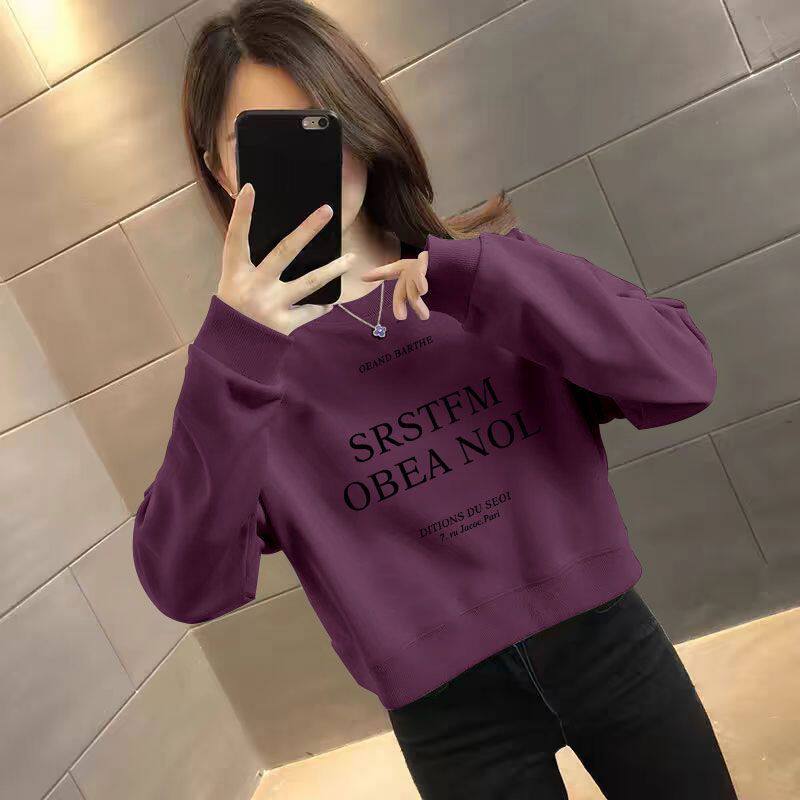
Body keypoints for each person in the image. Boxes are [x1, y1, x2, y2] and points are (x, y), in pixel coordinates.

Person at [132, 1, 739, 797]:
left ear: (362, 118)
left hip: (609, 646)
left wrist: (475, 275)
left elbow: (683, 376)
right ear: (219, 169)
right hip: (451, 721)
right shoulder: (245, 378)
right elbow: (187, 585)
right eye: (265, 141)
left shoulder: (490, 281)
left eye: (321, 122)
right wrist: (235, 353)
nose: (309, 160)